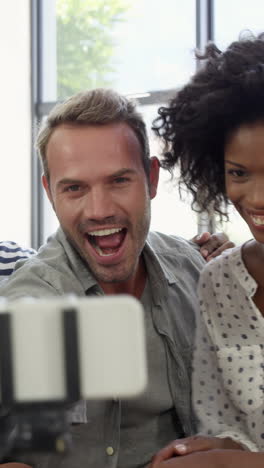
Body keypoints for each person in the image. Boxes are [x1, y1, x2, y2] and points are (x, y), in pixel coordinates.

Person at [0, 88, 233, 468]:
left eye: (119, 181)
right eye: (74, 188)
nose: (99, 210)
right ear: (50, 193)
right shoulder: (26, 308)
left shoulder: (195, 269)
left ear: (152, 179)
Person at [150, 32, 264, 467]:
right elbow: (226, 422)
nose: (256, 198)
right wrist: (224, 446)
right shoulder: (219, 282)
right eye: (239, 172)